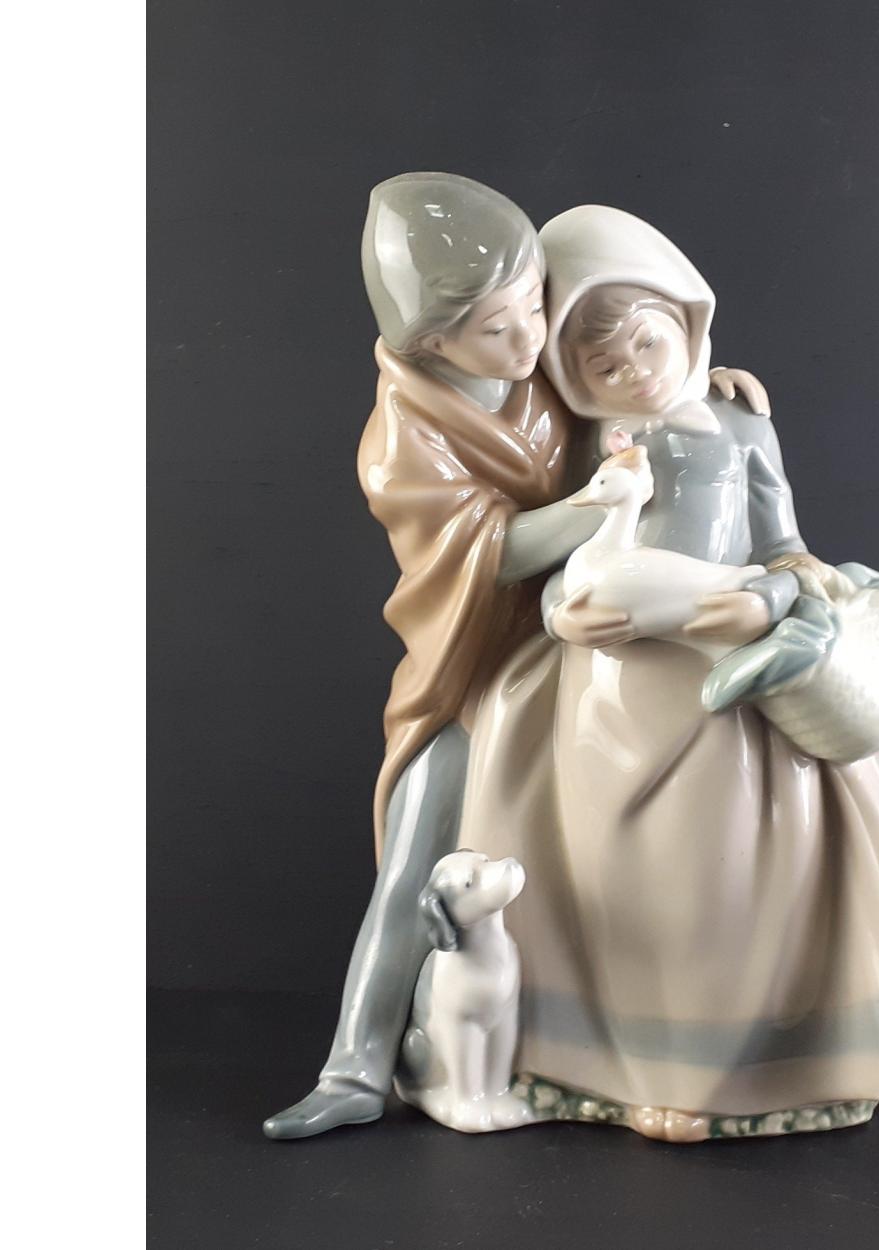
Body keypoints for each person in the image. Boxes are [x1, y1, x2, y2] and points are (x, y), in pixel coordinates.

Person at [264, 177, 765, 1139]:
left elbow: (622, 377)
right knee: (427, 839)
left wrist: (703, 382)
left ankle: (610, 1044)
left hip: (605, 629)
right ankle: (356, 1065)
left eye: (536, 305)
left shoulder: (537, 369)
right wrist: (593, 505)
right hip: (482, 655)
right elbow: (482, 555)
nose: (531, 339)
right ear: (432, 346)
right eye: (499, 329)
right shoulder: (402, 443)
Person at [454, 206, 879, 1142]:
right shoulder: (583, 441)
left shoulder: (739, 420)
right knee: (627, 879)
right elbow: (553, 551)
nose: (636, 373)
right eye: (604, 366)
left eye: (649, 343)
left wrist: (774, 592)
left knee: (734, 875)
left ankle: (740, 1071)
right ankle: (623, 1065)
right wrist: (569, 598)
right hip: (615, 686)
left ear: (687, 319)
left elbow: (784, 542)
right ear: (570, 374)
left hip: (728, 674)